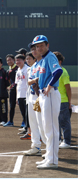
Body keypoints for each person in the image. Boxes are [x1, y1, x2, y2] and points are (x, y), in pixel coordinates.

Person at [32, 35, 62, 169]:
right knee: (46, 128)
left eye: (41, 45)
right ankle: (49, 158)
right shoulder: (43, 60)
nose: (39, 48)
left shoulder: (50, 57)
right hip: (45, 95)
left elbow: (58, 71)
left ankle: (53, 161)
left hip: (50, 94)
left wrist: (49, 86)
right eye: (37, 46)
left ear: (47, 45)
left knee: (51, 130)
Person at [23, 44, 46, 156]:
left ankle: (49, 148)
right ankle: (36, 146)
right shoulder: (32, 68)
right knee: (33, 124)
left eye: (35, 49)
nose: (34, 51)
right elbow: (29, 82)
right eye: (32, 49)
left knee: (42, 124)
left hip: (40, 98)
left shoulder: (44, 63)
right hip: (31, 98)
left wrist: (34, 81)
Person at [53, 51, 72, 149]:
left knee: (64, 121)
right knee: (57, 122)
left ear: (59, 61)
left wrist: (69, 102)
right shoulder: (54, 71)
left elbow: (68, 88)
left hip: (62, 101)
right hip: (55, 100)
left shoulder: (63, 72)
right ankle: (60, 139)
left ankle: (67, 141)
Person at [20, 52, 36, 140]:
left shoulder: (34, 69)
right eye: (27, 59)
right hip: (28, 95)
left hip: (34, 96)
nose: (28, 60)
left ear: (34, 59)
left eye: (30, 58)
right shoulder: (28, 69)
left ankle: (34, 133)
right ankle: (29, 132)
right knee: (28, 116)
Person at [15, 54, 29, 131]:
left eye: (19, 60)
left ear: (24, 60)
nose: (17, 62)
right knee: (23, 113)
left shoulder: (27, 69)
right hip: (20, 95)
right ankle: (26, 127)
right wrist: (17, 97)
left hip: (27, 94)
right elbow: (17, 84)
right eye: (16, 60)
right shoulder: (18, 71)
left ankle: (28, 128)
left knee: (28, 113)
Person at [4, 54, 18, 127]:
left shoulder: (18, 68)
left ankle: (24, 122)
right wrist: (11, 86)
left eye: (10, 60)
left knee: (23, 106)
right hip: (12, 90)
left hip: (19, 90)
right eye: (7, 60)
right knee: (11, 106)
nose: (9, 61)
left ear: (14, 60)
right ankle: (11, 121)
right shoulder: (8, 70)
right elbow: (9, 80)